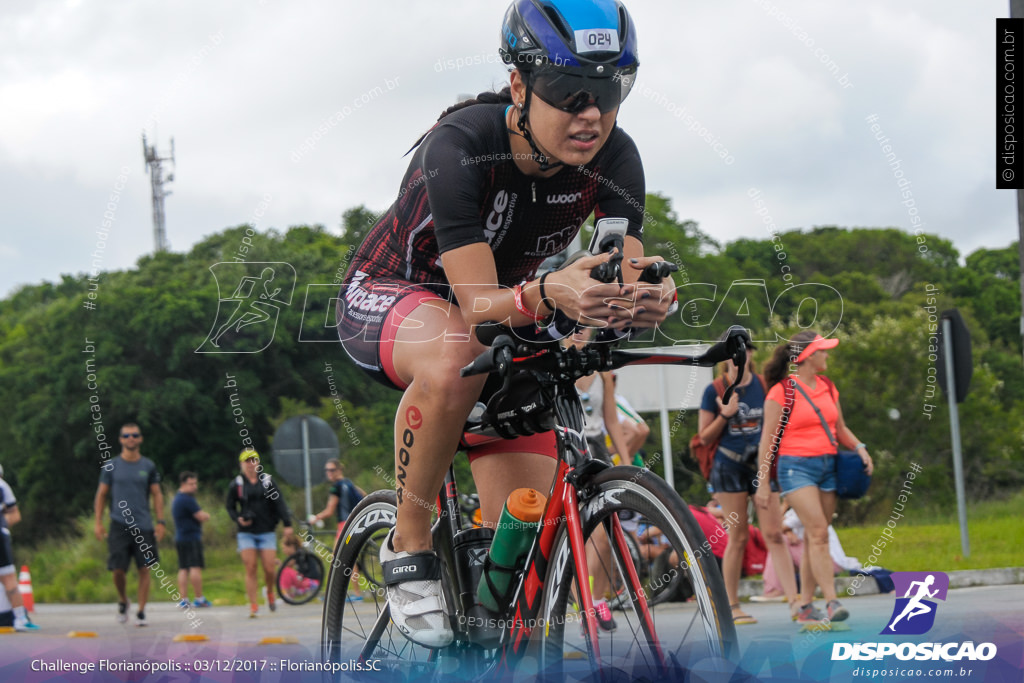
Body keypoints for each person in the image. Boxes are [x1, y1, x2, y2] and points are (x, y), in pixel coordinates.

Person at [336, 0, 673, 647]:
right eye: (569, 92)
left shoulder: (617, 159)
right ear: (519, 85)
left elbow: (615, 273)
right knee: (456, 346)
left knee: (521, 583)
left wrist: (643, 296)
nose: (590, 114)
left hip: (507, 307)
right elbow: (479, 302)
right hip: (393, 293)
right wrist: (552, 290)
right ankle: (409, 541)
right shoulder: (461, 144)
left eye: (609, 92)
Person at [754, 331, 873, 624]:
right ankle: (832, 601)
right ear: (807, 356)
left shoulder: (829, 387)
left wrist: (859, 448)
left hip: (828, 465)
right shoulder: (781, 392)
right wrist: (763, 482)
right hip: (795, 467)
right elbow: (767, 441)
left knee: (813, 536)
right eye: (823, 351)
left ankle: (805, 604)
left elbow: (840, 427)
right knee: (819, 532)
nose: (827, 355)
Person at [697, 335, 798, 625]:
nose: (737, 357)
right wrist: (725, 415)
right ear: (723, 358)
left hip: (761, 465)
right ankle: (731, 605)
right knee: (738, 535)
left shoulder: (765, 386)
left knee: (774, 533)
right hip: (728, 465)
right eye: (730, 353)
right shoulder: (714, 389)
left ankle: (796, 603)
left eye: (742, 351)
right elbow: (703, 437)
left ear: (751, 354)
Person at [93, 423, 164, 626]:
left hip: (143, 524)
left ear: (140, 439)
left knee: (144, 568)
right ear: (121, 439)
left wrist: (161, 521)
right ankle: (124, 600)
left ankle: (141, 611)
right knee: (118, 569)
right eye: (127, 435)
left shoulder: (148, 466)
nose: (131, 438)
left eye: (135, 435)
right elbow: (102, 494)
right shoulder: (111, 466)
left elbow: (157, 494)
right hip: (118, 523)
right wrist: (98, 522)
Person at [226, 449, 294, 618]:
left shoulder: (267, 481)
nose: (251, 464)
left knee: (269, 568)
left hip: (267, 531)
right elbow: (230, 506)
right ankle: (253, 604)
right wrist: (238, 519)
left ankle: (270, 593)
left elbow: (279, 503)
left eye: (254, 460)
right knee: (251, 567)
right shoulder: (237, 483)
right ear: (242, 464)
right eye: (247, 461)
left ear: (258, 463)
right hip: (246, 532)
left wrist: (287, 523)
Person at [759, 503, 861, 599]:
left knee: (781, 543)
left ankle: (774, 590)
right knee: (781, 542)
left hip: (830, 563)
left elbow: (774, 530)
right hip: (825, 561)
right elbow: (774, 528)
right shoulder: (794, 511)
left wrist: (785, 505)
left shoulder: (804, 508)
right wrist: (788, 531)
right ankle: (781, 588)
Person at [0, 464, 38, 631]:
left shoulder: (1, 486)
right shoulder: (3, 486)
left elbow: (14, 515)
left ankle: (20, 618)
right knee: (8, 578)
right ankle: (20, 618)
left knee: (7, 578)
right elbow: (15, 515)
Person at [172, 472, 212, 609]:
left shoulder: (177, 498)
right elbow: (200, 516)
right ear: (183, 484)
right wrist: (207, 515)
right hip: (191, 538)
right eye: (191, 484)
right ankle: (199, 598)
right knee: (195, 567)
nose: (195, 487)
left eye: (195, 483)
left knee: (183, 568)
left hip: (180, 537)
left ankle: (183, 599)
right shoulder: (187, 499)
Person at [308, 459, 365, 544]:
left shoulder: (336, 487)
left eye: (332, 470)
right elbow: (365, 496)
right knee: (352, 551)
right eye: (326, 470)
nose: (329, 472)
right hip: (359, 522)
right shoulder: (348, 482)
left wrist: (315, 518)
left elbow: (329, 511)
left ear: (339, 470)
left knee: (336, 554)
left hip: (345, 525)